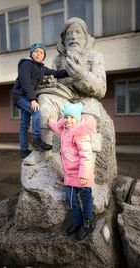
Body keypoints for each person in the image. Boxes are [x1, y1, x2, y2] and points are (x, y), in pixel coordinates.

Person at [24, 17, 106, 165]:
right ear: (63, 39)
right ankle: (41, 151)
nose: (73, 36)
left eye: (78, 33)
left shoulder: (95, 57)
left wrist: (81, 75)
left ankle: (86, 166)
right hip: (63, 99)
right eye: (69, 34)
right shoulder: (58, 60)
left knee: (87, 123)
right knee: (44, 101)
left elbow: (101, 89)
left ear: (85, 37)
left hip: (86, 101)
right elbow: (51, 80)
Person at [48, 102, 96, 240]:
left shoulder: (80, 133)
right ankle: (77, 221)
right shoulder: (65, 130)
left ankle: (87, 223)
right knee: (70, 200)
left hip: (82, 176)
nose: (68, 120)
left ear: (77, 118)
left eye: (72, 117)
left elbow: (86, 155)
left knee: (85, 199)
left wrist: (83, 175)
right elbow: (57, 129)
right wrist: (51, 123)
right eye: (66, 117)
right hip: (69, 175)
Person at [12, 42, 69, 159]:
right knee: (36, 111)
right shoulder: (26, 64)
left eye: (41, 52)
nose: (38, 54)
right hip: (20, 95)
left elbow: (56, 73)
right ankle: (37, 140)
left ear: (44, 56)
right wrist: (33, 99)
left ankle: (23, 150)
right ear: (31, 53)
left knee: (24, 124)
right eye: (36, 51)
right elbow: (25, 82)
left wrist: (71, 71)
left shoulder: (41, 68)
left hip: (27, 96)